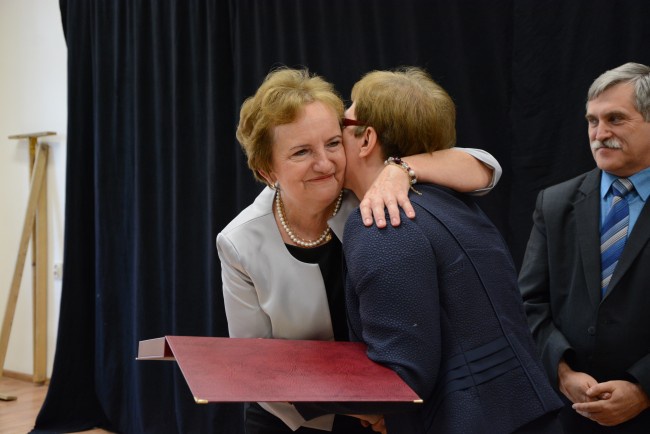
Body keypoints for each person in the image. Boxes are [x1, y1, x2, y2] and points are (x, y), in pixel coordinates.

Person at [216, 67, 502, 434]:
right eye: (302, 152)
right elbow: (253, 363)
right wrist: (369, 413)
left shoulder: (367, 192)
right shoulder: (239, 241)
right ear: (266, 169)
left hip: (388, 411)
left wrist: (402, 168)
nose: (325, 163)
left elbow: (485, 168)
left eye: (333, 143)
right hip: (295, 419)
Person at [296, 67, 564, 433]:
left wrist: (291, 384)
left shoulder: (383, 220)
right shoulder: (456, 202)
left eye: (342, 123)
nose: (334, 135)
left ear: (366, 139)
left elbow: (402, 376)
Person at [519, 62, 650, 433]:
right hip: (568, 415)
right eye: (592, 121)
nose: (599, 133)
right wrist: (562, 372)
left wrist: (644, 390)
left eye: (615, 119)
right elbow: (528, 303)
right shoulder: (556, 202)